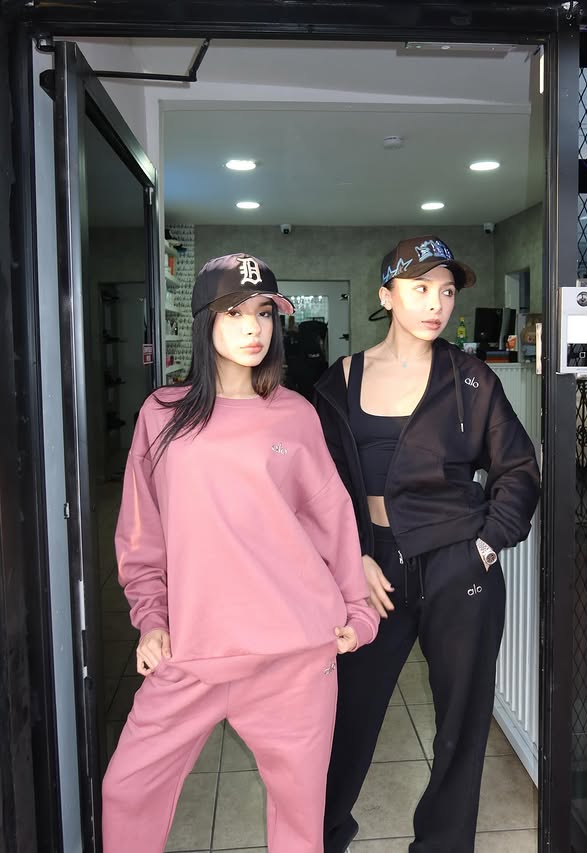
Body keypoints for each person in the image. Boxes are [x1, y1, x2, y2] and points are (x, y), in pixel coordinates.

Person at [102, 253, 379, 853]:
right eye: (234, 313)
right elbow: (141, 533)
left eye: (263, 314)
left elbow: (332, 522)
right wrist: (152, 619)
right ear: (205, 322)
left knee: (300, 819)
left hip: (293, 656)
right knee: (126, 790)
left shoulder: (295, 414)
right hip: (193, 652)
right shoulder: (162, 416)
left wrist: (358, 611)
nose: (253, 328)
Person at [315, 236, 540, 853]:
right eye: (419, 289)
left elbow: (519, 468)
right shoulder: (341, 380)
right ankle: (323, 835)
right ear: (386, 295)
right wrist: (350, 557)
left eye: (445, 291)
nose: (435, 303)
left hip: (457, 562)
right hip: (373, 568)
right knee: (346, 717)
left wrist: (488, 546)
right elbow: (321, 487)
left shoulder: (471, 380)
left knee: (460, 727)